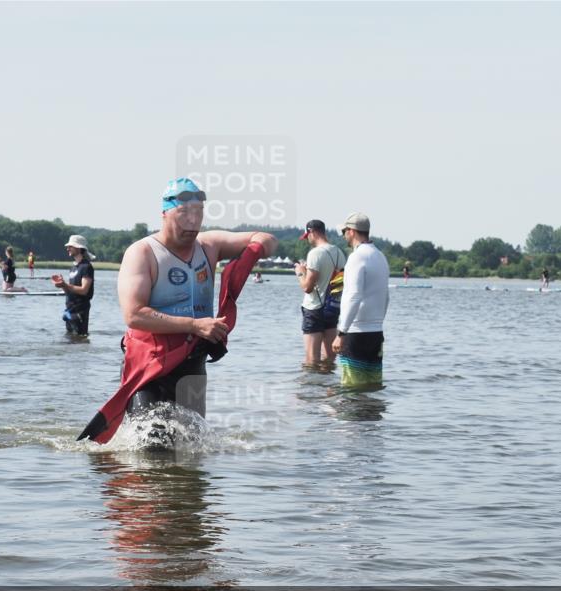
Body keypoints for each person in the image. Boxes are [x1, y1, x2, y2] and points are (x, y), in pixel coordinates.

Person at [77, 177, 277, 444]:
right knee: (150, 445)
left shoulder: (209, 245)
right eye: (183, 214)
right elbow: (134, 314)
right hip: (150, 365)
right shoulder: (143, 253)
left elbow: (267, 240)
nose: (192, 222)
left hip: (192, 363)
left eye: (198, 213)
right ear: (164, 213)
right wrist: (194, 325)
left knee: (191, 445)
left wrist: (257, 247)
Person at [331, 212, 389, 389]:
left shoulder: (356, 257)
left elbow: (353, 296)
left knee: (352, 389)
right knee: (372, 386)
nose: (344, 236)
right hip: (376, 332)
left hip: (356, 332)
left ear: (351, 231)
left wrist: (341, 333)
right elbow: (386, 297)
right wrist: (377, 322)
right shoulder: (380, 257)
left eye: (344, 231)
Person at [294, 219, 347, 367]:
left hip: (314, 309)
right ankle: (327, 388)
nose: (308, 240)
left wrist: (300, 272)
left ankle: (312, 389)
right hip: (333, 308)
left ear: (312, 232)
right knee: (329, 359)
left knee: (312, 361)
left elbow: (307, 287)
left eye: (307, 236)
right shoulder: (339, 252)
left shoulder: (315, 253)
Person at [52, 235, 95, 336]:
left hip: (80, 310)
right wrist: (62, 284)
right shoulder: (73, 267)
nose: (68, 249)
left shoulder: (86, 267)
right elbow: (69, 290)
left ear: (79, 248)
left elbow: (84, 290)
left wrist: (65, 284)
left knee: (79, 339)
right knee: (70, 342)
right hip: (70, 309)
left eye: (70, 246)